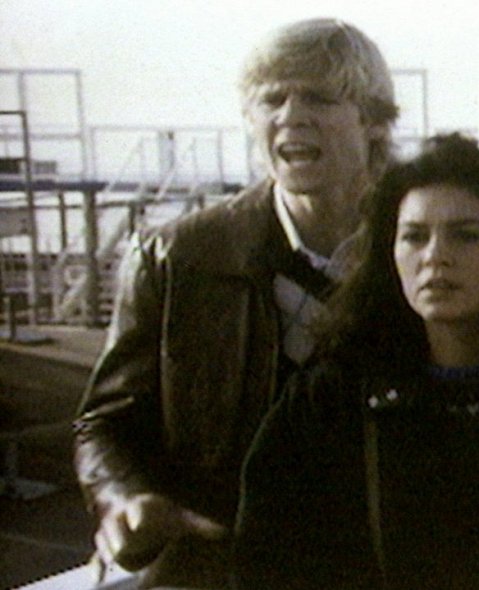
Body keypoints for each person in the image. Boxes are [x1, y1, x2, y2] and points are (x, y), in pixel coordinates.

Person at [72, 18, 398, 589]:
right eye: (271, 99)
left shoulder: (422, 245)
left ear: (372, 120)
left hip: (383, 565)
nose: (291, 116)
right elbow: (106, 422)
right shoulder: (178, 256)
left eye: (318, 97)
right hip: (222, 562)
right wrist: (124, 499)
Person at [234, 133, 479, 589]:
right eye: (415, 237)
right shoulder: (332, 402)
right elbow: (268, 563)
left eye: (466, 236)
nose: (435, 256)